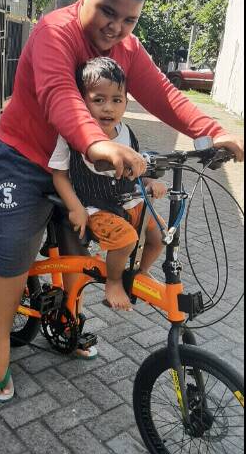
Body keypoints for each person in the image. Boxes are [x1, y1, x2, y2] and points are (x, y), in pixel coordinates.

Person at [0, 0, 244, 401]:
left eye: (130, 19)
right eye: (108, 11)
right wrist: (99, 142)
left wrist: (211, 130)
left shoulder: (126, 47)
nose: (116, 28)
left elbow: (166, 95)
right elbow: (60, 96)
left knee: (81, 240)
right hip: (25, 158)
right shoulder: (53, 33)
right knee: (16, 250)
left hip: (85, 164)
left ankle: (65, 318)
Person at [49, 57, 167, 312]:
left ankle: (140, 273)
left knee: (160, 235)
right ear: (83, 102)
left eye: (116, 100)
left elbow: (137, 169)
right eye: (98, 100)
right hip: (95, 207)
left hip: (131, 201)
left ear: (126, 102)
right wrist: (76, 208)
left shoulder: (127, 133)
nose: (108, 108)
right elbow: (58, 174)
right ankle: (113, 282)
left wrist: (149, 182)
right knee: (125, 240)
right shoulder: (70, 134)